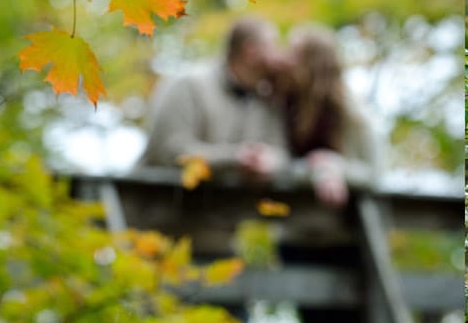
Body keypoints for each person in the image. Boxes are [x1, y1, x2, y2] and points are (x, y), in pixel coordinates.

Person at [137, 16, 290, 179]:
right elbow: (169, 151)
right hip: (168, 201)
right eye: (274, 45)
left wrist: (268, 162)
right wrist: (235, 158)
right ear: (250, 51)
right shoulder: (188, 86)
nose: (279, 56)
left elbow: (282, 153)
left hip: (232, 203)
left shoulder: (267, 99)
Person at [276, 23, 382, 207]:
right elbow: (280, 165)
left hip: (350, 217)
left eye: (294, 53)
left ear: (312, 63)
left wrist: (334, 167)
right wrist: (314, 169)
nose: (286, 59)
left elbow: (373, 173)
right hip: (293, 214)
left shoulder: (350, 112)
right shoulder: (282, 103)